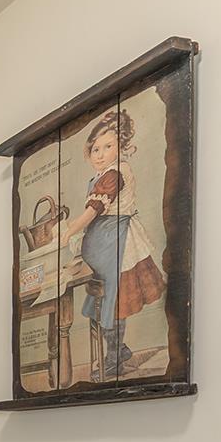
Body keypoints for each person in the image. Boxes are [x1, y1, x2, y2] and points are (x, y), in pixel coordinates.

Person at [62, 108, 166, 379]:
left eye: (108, 147)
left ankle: (114, 358)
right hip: (103, 246)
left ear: (121, 146)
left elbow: (94, 209)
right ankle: (119, 350)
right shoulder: (101, 174)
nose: (100, 154)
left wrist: (70, 229)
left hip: (118, 246)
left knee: (114, 301)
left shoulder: (115, 175)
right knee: (105, 300)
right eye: (95, 149)